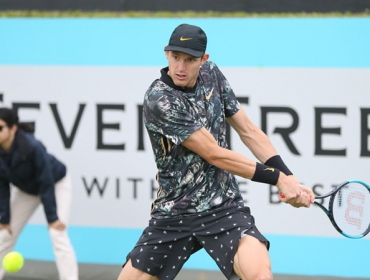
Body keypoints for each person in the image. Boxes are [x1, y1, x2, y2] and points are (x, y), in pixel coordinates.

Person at [117, 23, 314, 280]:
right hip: (174, 213)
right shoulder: (159, 100)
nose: (180, 67)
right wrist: (277, 179)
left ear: (204, 59)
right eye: (176, 57)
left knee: (260, 275)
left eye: (190, 60)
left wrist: (290, 179)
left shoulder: (212, 74)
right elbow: (214, 154)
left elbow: (248, 131)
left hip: (223, 208)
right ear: (166, 53)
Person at [0, 108, 79, 280]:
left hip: (56, 184)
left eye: (0, 128)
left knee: (57, 233)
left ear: (13, 129)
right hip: (27, 191)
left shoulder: (32, 147)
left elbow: (46, 181)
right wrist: (4, 219)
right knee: (5, 233)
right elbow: (2, 186)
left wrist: (52, 217)